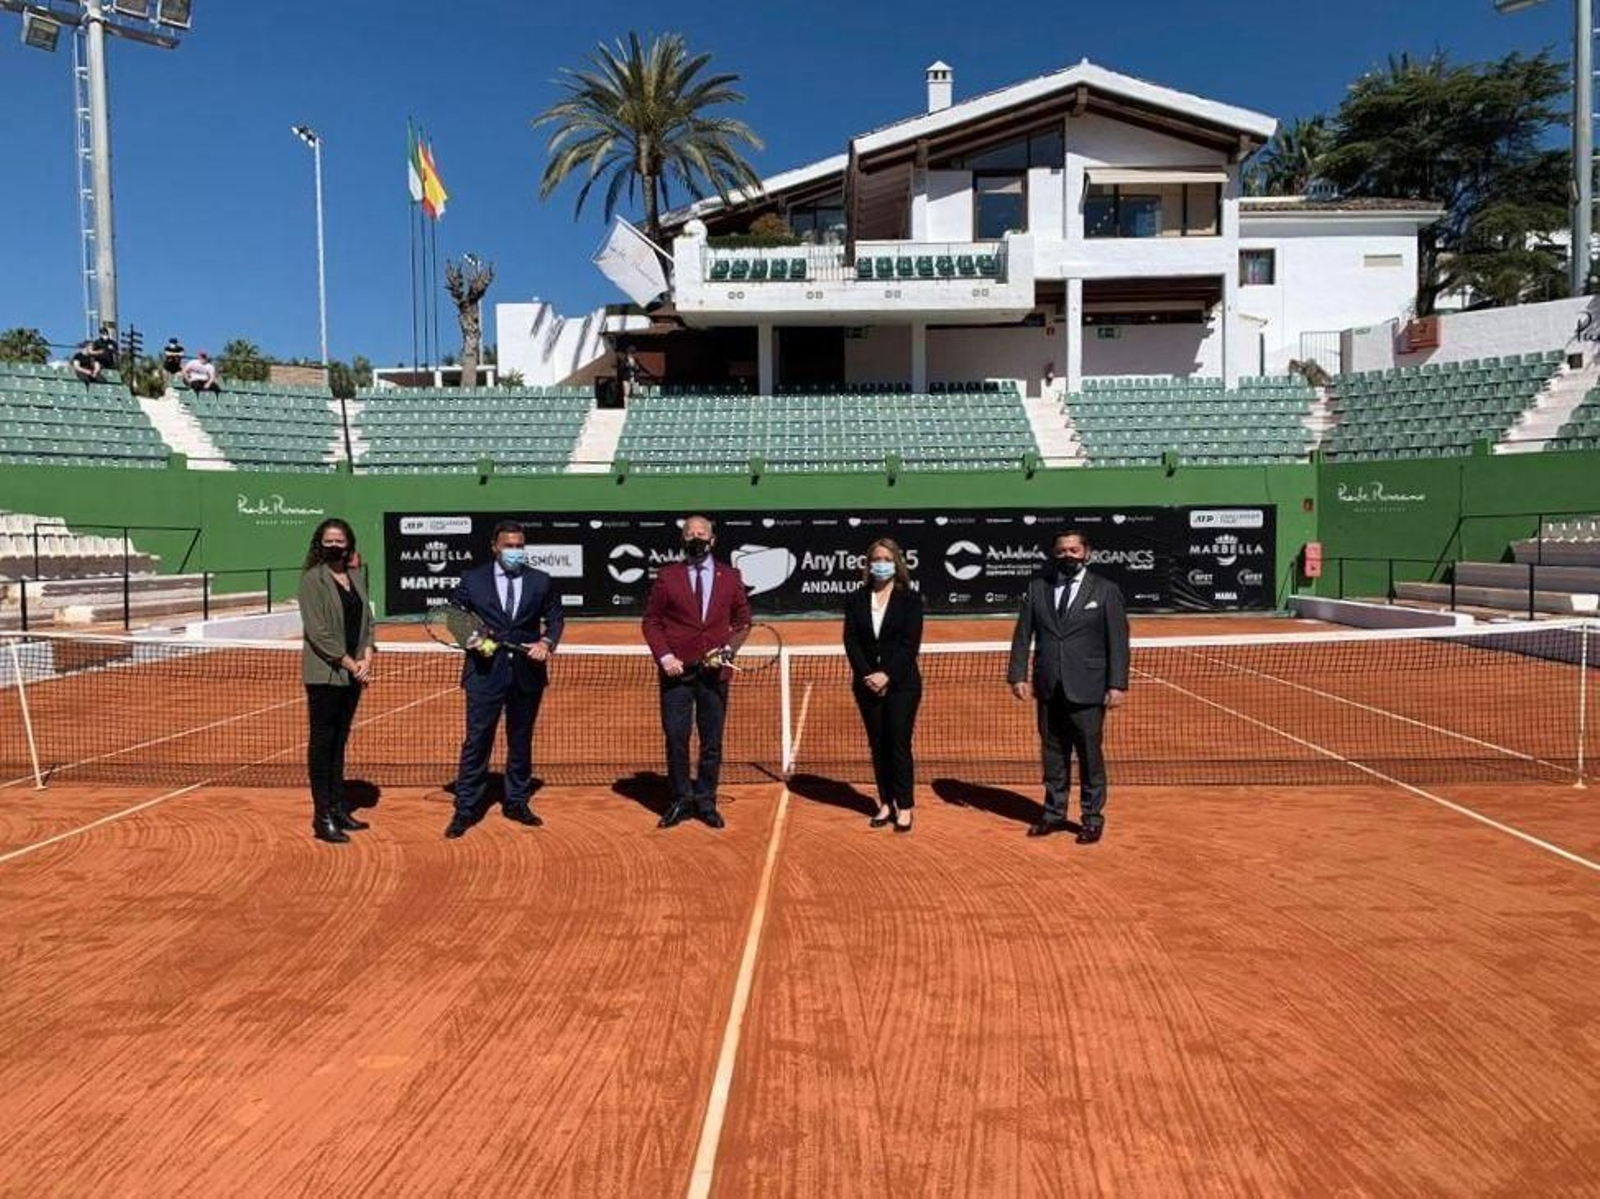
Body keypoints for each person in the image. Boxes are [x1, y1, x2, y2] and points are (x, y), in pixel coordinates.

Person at [1005, 528, 1130, 844]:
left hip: (1088, 688)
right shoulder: (1037, 589)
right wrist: (1018, 675)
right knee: (1052, 756)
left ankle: (1091, 818)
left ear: (1086, 552)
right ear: (1053, 554)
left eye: (1074, 550)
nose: (1068, 556)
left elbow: (1118, 641)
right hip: (1048, 688)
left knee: (1090, 757)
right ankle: (1053, 814)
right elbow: (1023, 636)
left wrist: (1117, 684)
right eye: (1061, 551)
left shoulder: (1105, 590)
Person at [444, 520, 564, 839]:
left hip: (527, 673)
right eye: (509, 546)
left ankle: (517, 801)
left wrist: (545, 643)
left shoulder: (541, 581)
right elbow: (455, 614)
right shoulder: (473, 579)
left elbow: (554, 618)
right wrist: (474, 639)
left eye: (519, 546)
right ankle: (466, 808)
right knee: (477, 740)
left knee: (520, 740)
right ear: (495, 547)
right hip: (484, 674)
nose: (515, 551)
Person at [641, 515, 751, 829]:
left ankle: (705, 801)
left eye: (702, 533)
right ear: (683, 539)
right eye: (690, 533)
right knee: (676, 737)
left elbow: (743, 621)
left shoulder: (730, 576)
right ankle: (680, 800)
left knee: (711, 741)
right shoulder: (667, 577)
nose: (696, 537)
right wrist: (665, 657)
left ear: (713, 540)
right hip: (677, 673)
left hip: (714, 675)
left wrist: (728, 650)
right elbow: (651, 622)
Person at [298, 518, 376, 844]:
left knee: (339, 741)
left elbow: (367, 622)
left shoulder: (356, 577)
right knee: (322, 744)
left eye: (339, 540)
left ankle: (339, 807)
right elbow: (318, 632)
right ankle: (323, 816)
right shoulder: (312, 580)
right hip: (325, 674)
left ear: (348, 544)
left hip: (354, 672)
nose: (334, 545)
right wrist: (348, 662)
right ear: (320, 543)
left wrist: (367, 656)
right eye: (328, 540)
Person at [842, 538, 924, 833]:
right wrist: (868, 675)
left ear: (897, 563)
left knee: (898, 744)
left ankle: (905, 806)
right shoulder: (855, 599)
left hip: (902, 685)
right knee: (878, 746)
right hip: (866, 685)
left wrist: (886, 675)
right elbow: (851, 641)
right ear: (868, 563)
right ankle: (886, 802)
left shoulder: (911, 600)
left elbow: (909, 645)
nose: (881, 564)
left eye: (887, 559)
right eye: (876, 558)